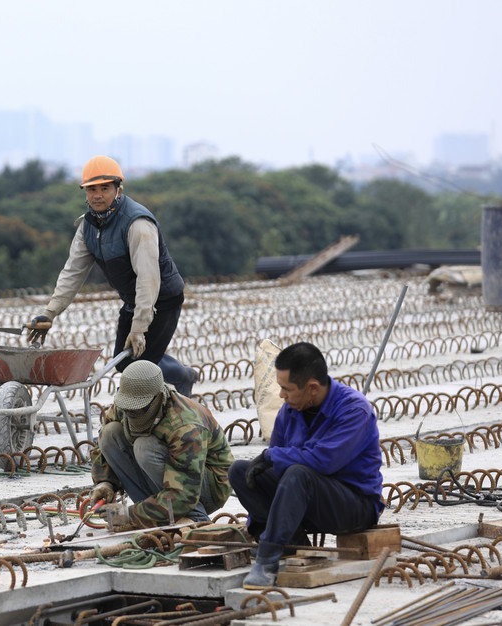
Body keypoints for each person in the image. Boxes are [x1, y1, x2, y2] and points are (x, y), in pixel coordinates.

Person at [26, 155, 200, 396]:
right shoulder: (88, 226)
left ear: (119, 189)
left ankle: (173, 394)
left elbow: (148, 279)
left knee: (139, 369)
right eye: (91, 189)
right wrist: (49, 312)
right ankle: (182, 374)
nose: (97, 195)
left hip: (162, 299)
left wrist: (139, 327)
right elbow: (73, 272)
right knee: (123, 363)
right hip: (132, 299)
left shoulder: (137, 224)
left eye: (105, 188)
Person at [228, 342, 384, 588]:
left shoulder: (354, 410)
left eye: (286, 388)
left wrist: (273, 457)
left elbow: (323, 461)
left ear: (312, 387)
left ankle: (268, 558)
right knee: (240, 471)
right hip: (305, 501)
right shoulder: (291, 409)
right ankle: (291, 544)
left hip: (353, 505)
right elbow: (277, 461)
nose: (281, 395)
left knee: (298, 473)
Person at [88, 360, 233, 529]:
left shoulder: (185, 425)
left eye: (138, 409)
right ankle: (154, 512)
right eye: (128, 408)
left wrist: (130, 515)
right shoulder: (127, 403)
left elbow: (184, 494)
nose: (131, 413)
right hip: (169, 482)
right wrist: (105, 482)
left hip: (206, 487)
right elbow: (102, 446)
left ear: (157, 398)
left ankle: (194, 516)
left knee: (144, 446)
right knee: (109, 433)